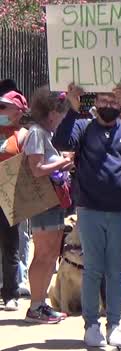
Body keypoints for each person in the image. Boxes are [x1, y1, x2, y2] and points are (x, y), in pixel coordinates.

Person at [52, 84, 121, 347]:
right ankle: (91, 324)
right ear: (96, 101)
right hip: (89, 210)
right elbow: (61, 140)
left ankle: (114, 324)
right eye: (105, 100)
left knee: (116, 270)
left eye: (115, 102)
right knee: (93, 269)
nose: (109, 105)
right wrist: (71, 106)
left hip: (120, 211)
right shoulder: (83, 126)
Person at [23, 87, 73, 323]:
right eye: (61, 117)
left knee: (51, 253)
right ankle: (36, 305)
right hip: (43, 203)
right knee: (43, 254)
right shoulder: (37, 133)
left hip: (53, 203)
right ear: (52, 113)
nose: (61, 122)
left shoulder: (44, 134)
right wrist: (61, 163)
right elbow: (36, 169)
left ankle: (41, 303)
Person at [0, 90, 29, 311]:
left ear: (18, 112)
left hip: (9, 197)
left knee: (10, 248)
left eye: (4, 107)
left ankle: (10, 293)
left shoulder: (22, 135)